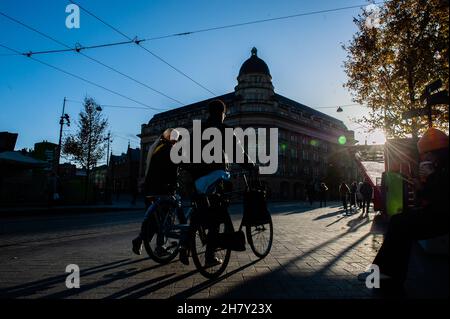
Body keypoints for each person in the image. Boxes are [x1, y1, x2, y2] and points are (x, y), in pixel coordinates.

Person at [358, 128, 449, 292]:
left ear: (435, 152)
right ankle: (388, 274)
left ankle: (387, 274)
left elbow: (444, 195)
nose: (424, 158)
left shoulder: (443, 169)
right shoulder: (439, 166)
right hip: (439, 213)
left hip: (443, 215)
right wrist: (421, 186)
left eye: (426, 154)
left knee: (401, 224)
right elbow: (434, 195)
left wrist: (432, 177)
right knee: (399, 223)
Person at [187, 99, 255, 267]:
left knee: (199, 210)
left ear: (209, 113)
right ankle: (210, 256)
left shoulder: (197, 130)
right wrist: (250, 165)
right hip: (214, 176)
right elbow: (237, 153)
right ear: (223, 114)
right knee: (217, 213)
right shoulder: (224, 130)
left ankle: (185, 245)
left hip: (195, 179)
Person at [131, 128, 181, 256]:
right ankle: (160, 246)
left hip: (150, 189)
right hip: (162, 189)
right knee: (166, 219)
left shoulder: (155, 149)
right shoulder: (170, 150)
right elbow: (173, 172)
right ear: (172, 139)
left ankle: (140, 239)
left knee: (154, 220)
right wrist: (174, 186)